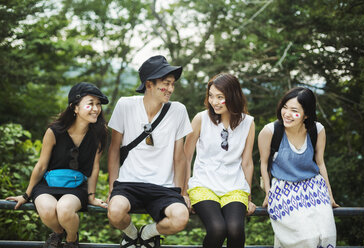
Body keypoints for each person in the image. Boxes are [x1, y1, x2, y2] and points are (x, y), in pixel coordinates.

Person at [6, 82, 109, 248]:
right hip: (47, 184)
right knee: (47, 211)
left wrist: (91, 196)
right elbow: (41, 166)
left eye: (98, 105)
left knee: (65, 210)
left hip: (76, 187)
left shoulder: (98, 134)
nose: (96, 109)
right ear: (74, 108)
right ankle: (59, 233)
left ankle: (71, 240)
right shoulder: (54, 131)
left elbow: (94, 168)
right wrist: (26, 195)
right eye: (90, 104)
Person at [107, 55, 192, 248]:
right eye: (166, 84)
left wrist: (182, 192)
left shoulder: (178, 111)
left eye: (172, 84)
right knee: (115, 212)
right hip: (128, 183)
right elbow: (113, 150)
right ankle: (130, 235)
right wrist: (112, 187)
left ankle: (147, 233)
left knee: (180, 218)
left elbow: (180, 157)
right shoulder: (125, 105)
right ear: (149, 84)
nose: (170, 89)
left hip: (164, 186)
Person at [258, 87, 338, 248]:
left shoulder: (317, 130)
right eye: (285, 107)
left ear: (306, 114)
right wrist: (268, 192)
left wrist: (329, 194)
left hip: (313, 185)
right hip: (283, 186)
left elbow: (320, 162)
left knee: (327, 233)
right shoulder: (270, 131)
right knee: (305, 239)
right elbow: (264, 164)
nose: (286, 114)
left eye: (294, 110)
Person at [184, 73, 256, 248]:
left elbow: (246, 162)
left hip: (235, 187)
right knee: (217, 229)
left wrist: (248, 196)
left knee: (235, 230)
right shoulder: (201, 119)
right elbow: (185, 158)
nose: (214, 101)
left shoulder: (248, 123)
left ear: (232, 96)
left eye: (220, 97)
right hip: (203, 185)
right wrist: (183, 193)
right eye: (211, 96)